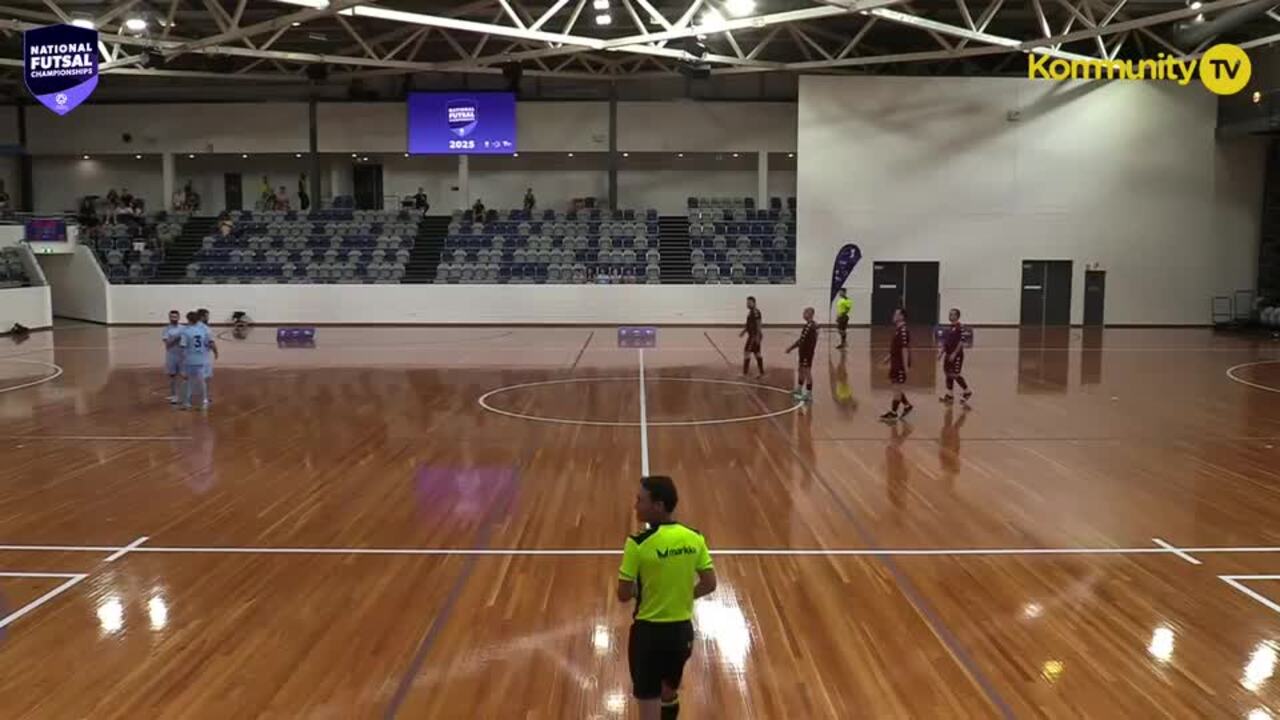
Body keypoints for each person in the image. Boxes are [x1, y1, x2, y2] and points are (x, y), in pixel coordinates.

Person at [617, 476, 716, 720]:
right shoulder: (694, 538)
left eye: (640, 500)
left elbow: (622, 594)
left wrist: (642, 591)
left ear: (658, 506)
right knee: (668, 692)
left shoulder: (637, 544)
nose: (635, 505)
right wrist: (682, 595)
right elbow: (709, 583)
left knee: (649, 704)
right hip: (681, 634)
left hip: (648, 636)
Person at [880, 307, 913, 422]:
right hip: (895, 362)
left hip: (899, 364)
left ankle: (893, 413)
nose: (893, 315)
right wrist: (888, 357)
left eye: (896, 314)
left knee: (896, 389)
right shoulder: (897, 330)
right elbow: (896, 347)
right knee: (895, 387)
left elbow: (904, 349)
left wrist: (905, 367)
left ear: (902, 317)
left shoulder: (903, 330)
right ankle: (907, 406)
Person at [179, 311, 216, 410]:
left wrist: (182, 364)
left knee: (188, 382)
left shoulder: (185, 332)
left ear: (188, 320)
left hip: (190, 360)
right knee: (202, 381)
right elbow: (208, 344)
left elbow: (183, 347)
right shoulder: (202, 331)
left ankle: (187, 402)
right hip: (201, 359)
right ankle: (204, 400)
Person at [938, 307, 972, 405]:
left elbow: (961, 342)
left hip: (956, 356)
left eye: (952, 314)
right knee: (948, 373)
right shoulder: (948, 328)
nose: (950, 315)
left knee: (955, 374)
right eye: (950, 314)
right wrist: (941, 353)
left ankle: (967, 391)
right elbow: (946, 343)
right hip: (948, 355)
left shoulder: (960, 327)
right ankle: (949, 395)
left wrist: (954, 354)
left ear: (957, 316)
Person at [784, 307, 818, 401]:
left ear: (810, 313)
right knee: (800, 369)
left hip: (807, 353)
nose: (803, 314)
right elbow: (802, 340)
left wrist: (791, 348)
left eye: (805, 312)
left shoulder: (811, 326)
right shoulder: (808, 325)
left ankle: (809, 393)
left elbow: (803, 341)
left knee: (807, 371)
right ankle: (799, 389)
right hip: (803, 352)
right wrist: (792, 348)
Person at [162, 310, 184, 404]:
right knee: (172, 376)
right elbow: (167, 344)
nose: (173, 318)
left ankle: (183, 395)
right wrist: (177, 338)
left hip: (182, 355)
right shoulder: (166, 329)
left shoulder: (183, 328)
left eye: (175, 317)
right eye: (171, 317)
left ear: (179, 317)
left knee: (183, 376)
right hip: (171, 355)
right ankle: (174, 395)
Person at [739, 296, 764, 377]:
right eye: (747, 303)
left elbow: (758, 324)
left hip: (753, 337)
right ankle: (761, 372)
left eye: (749, 303)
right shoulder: (750, 312)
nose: (747, 304)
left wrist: (757, 337)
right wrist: (743, 331)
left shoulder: (755, 312)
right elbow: (749, 325)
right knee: (757, 353)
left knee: (747, 352)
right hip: (752, 336)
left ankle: (745, 373)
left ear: (754, 303)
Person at [197, 308, 217, 406]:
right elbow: (211, 342)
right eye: (207, 316)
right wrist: (216, 352)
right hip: (204, 356)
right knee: (205, 378)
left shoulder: (191, 327)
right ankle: (204, 398)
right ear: (203, 317)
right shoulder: (206, 329)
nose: (208, 318)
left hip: (192, 355)